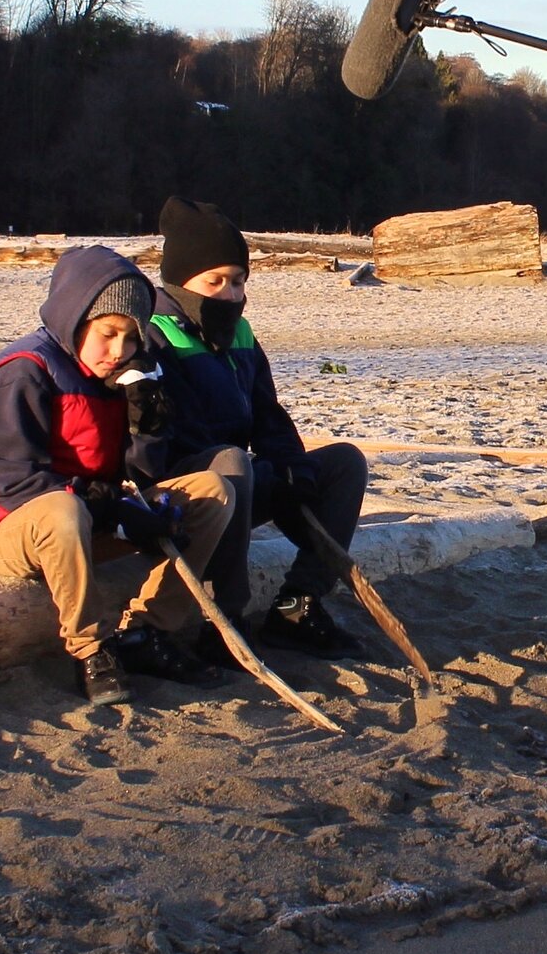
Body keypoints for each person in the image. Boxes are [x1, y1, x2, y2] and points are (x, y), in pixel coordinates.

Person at [0, 245, 235, 706]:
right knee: (61, 510)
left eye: (131, 338)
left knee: (212, 490)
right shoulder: (22, 373)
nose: (119, 351)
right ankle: (91, 648)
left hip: (89, 516)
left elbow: (140, 474)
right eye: (108, 334)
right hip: (8, 526)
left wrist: (146, 424)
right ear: (76, 320)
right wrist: (112, 509)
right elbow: (14, 485)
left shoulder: (122, 374)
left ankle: (148, 631)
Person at [134, 197, 371, 659]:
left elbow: (267, 414)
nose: (229, 293)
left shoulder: (240, 335)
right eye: (215, 281)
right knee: (230, 461)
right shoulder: (153, 336)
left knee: (344, 463)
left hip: (241, 481)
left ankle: (299, 603)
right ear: (182, 280)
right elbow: (165, 438)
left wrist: (290, 468)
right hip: (186, 493)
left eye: (238, 280)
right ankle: (225, 617)